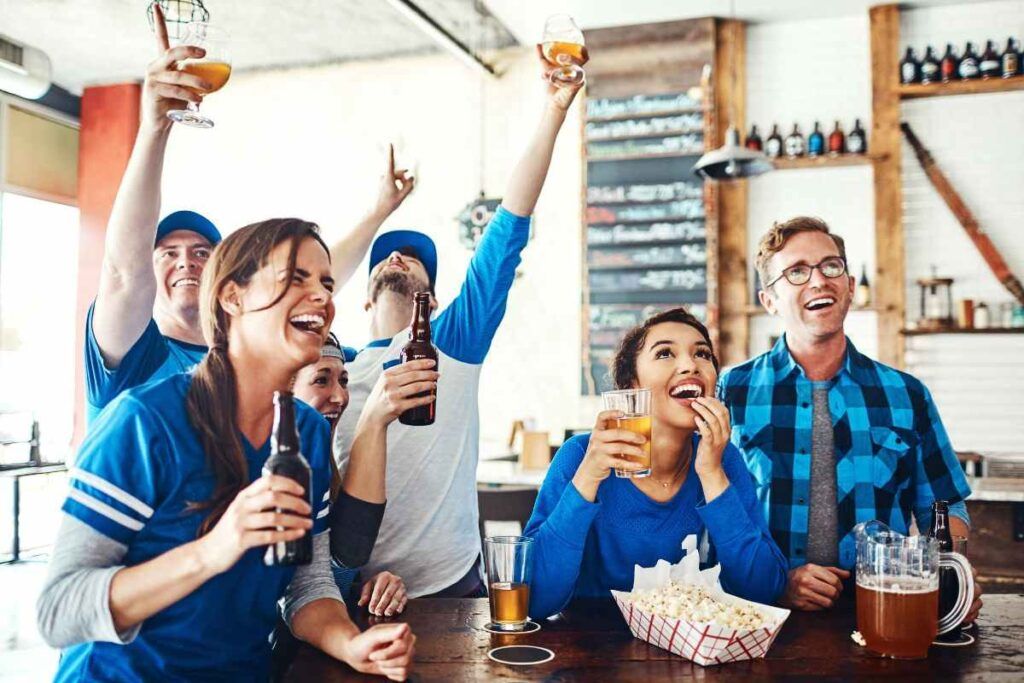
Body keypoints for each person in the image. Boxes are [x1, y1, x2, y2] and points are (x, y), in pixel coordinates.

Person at [38, 218, 425, 681]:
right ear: (231, 297)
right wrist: (214, 549)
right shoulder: (144, 423)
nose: (322, 297)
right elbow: (58, 611)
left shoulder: (307, 433)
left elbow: (309, 585)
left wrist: (352, 643)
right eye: (295, 278)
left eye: (325, 282)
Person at [332, 47, 586, 598]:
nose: (397, 260)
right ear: (360, 295)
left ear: (436, 296)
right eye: (386, 257)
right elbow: (299, 284)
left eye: (413, 258)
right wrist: (378, 211)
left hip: (449, 586)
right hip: (347, 589)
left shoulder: (451, 341)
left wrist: (554, 111)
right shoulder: (332, 367)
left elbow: (507, 230)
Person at [86, 3, 413, 421]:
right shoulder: (136, 357)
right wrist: (155, 128)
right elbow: (124, 273)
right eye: (168, 253)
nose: (187, 259)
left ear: (229, 288)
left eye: (202, 252)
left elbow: (312, 284)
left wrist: (378, 211)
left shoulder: (246, 362)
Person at [718, 216, 982, 623]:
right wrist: (774, 582)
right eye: (797, 272)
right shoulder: (730, 391)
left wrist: (950, 581)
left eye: (831, 266)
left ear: (850, 286)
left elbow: (944, 507)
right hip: (761, 619)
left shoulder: (906, 394)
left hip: (883, 613)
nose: (819, 280)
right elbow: (709, 514)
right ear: (768, 301)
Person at [523, 308, 787, 619]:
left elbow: (763, 590)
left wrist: (712, 474)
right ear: (633, 385)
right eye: (664, 353)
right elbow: (535, 600)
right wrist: (588, 477)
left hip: (693, 658)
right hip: (591, 655)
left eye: (702, 354)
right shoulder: (580, 456)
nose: (690, 365)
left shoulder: (723, 459)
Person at [293, 333, 407, 617]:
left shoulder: (324, 468)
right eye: (321, 380)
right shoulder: (269, 472)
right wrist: (373, 420)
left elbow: (331, 576)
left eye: (343, 381)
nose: (340, 396)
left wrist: (369, 588)